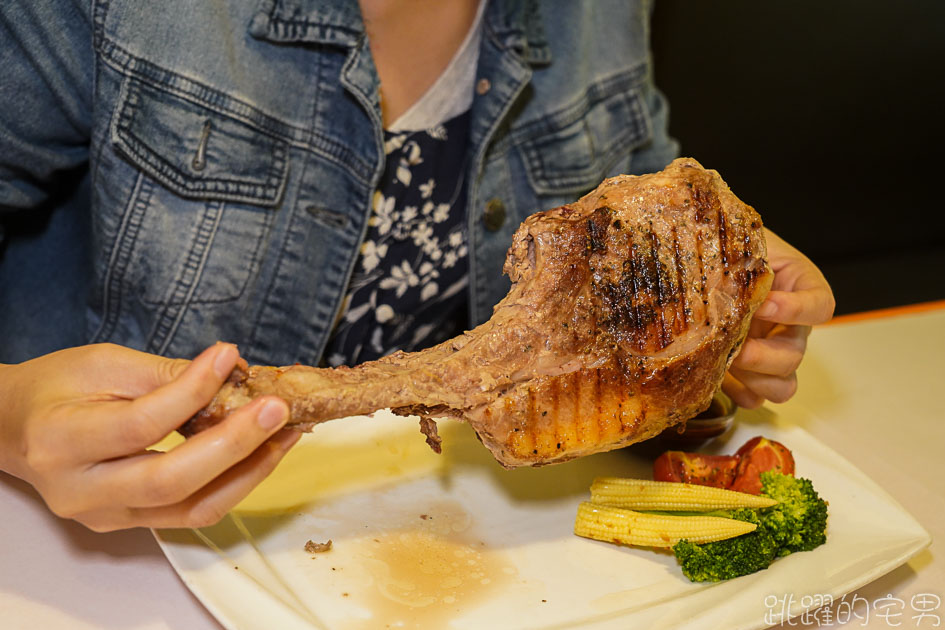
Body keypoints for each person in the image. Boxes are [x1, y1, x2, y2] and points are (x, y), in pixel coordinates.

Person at [0, 0, 834, 532]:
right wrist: (8, 417)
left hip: (441, 539)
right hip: (75, 560)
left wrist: (729, 311)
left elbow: (641, 188)